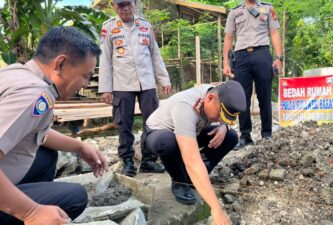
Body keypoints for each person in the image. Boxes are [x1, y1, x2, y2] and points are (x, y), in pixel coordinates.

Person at [0, 27, 108, 225]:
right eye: (85, 75)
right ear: (61, 63)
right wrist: (31, 212)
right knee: (74, 198)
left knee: (46, 156)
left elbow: (29, 130)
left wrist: (80, 146)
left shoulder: (16, 73)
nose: (85, 84)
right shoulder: (34, 94)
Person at [144, 80, 246, 225]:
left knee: (230, 136)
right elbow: (191, 160)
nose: (219, 119)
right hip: (159, 134)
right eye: (219, 115)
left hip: (189, 131)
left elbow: (223, 113)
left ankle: (193, 179)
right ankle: (179, 181)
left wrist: (223, 127)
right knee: (168, 143)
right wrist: (216, 209)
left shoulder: (214, 93)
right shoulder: (186, 106)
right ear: (209, 99)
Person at [99, 0, 171, 177]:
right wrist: (106, 89)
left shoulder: (145, 25)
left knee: (153, 121)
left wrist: (164, 79)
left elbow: (155, 55)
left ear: (135, 3)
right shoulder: (108, 28)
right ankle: (128, 161)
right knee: (124, 123)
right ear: (113, 6)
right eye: (120, 5)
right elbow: (105, 60)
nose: (125, 8)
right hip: (122, 84)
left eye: (128, 4)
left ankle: (148, 160)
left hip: (146, 83)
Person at [223, 0, 283, 149]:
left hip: (262, 54)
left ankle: (267, 134)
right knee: (242, 98)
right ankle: (245, 136)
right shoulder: (234, 12)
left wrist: (279, 58)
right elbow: (229, 37)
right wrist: (225, 62)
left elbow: (274, 33)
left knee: (265, 96)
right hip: (241, 57)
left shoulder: (268, 8)